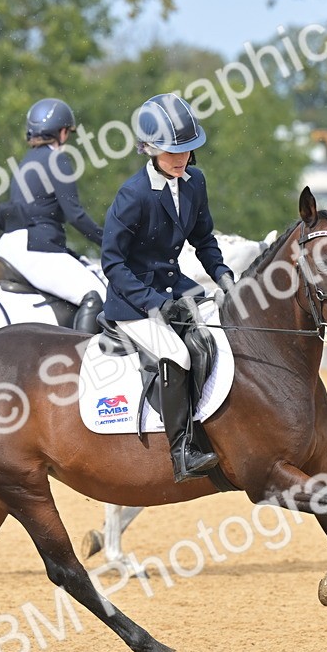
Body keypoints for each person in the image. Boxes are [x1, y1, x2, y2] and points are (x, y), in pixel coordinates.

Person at [101, 93, 236, 483]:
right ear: (148, 148)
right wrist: (155, 303)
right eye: (171, 151)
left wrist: (224, 276)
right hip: (133, 300)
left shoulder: (195, 182)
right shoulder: (134, 194)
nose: (181, 158)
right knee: (177, 354)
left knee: (225, 330)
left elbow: (203, 239)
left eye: (187, 150)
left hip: (175, 287)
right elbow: (113, 263)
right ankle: (181, 451)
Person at [0, 97, 105, 333]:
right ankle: (86, 355)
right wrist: (108, 241)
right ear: (62, 132)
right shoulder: (57, 159)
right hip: (36, 248)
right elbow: (75, 215)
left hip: (9, 245)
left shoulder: (25, 162)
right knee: (95, 295)